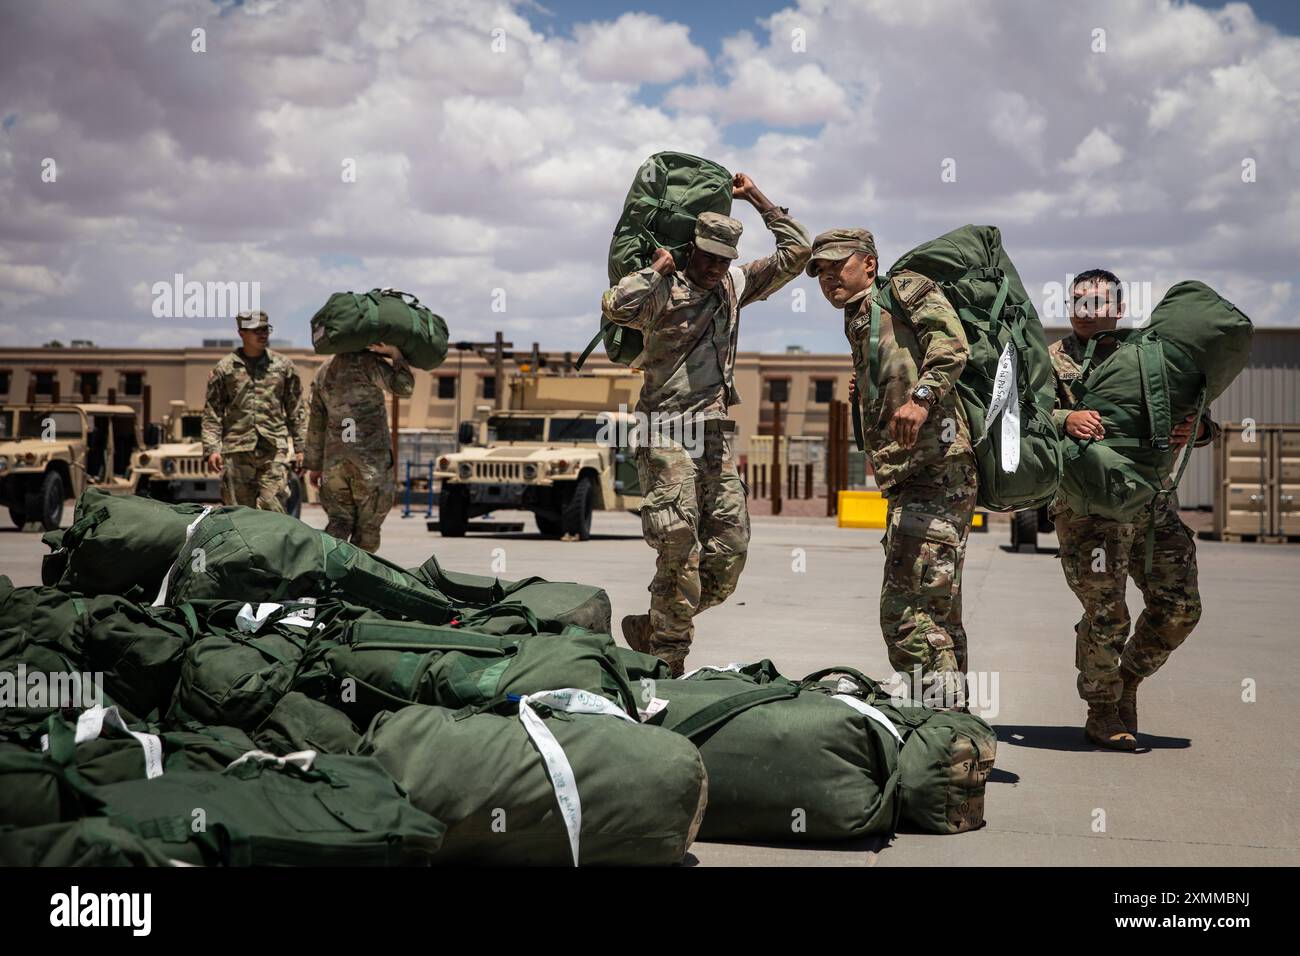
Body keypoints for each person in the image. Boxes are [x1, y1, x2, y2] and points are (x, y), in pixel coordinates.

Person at [601, 173, 811, 676]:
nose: (717, 268)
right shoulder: (663, 286)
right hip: (663, 430)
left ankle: (655, 626)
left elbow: (797, 252)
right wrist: (654, 271)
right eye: (709, 257)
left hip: (714, 432)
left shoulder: (734, 287)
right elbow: (614, 306)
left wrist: (758, 196)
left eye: (725, 259)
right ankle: (666, 665)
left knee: (729, 552)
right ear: (691, 249)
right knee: (677, 541)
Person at [1051, 269, 1217, 750]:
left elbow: (1194, 415)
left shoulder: (1148, 357)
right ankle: (1103, 710)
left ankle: (1127, 680)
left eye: (1096, 301)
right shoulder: (1050, 361)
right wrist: (1066, 417)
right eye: (1077, 300)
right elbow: (1023, 413)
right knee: (1107, 615)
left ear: (1118, 309)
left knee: (1180, 608)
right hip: (1088, 510)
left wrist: (1200, 431)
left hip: (1152, 505)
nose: (1085, 309)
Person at [808, 227, 974, 706]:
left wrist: (922, 398)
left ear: (869, 264)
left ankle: (945, 730)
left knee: (905, 613)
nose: (827, 278)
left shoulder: (906, 288)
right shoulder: (857, 318)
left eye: (837, 265)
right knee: (937, 611)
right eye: (819, 271)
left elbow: (951, 343)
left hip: (938, 471)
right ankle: (949, 724)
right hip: (909, 478)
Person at [304, 344, 413, 552]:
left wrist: (314, 465)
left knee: (338, 524)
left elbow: (316, 421)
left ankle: (326, 575)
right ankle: (357, 579)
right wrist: (396, 354)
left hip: (335, 465)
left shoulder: (324, 371)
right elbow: (405, 387)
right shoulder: (369, 364)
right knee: (367, 530)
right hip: (369, 464)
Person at [201, 310, 305, 512]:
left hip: (274, 449)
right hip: (237, 451)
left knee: (272, 506)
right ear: (241, 333)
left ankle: (273, 544)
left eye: (265, 329)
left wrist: (302, 447)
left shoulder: (284, 367)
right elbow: (212, 413)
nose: (262, 334)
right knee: (239, 514)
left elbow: (297, 410)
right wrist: (212, 448)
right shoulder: (224, 369)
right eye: (256, 330)